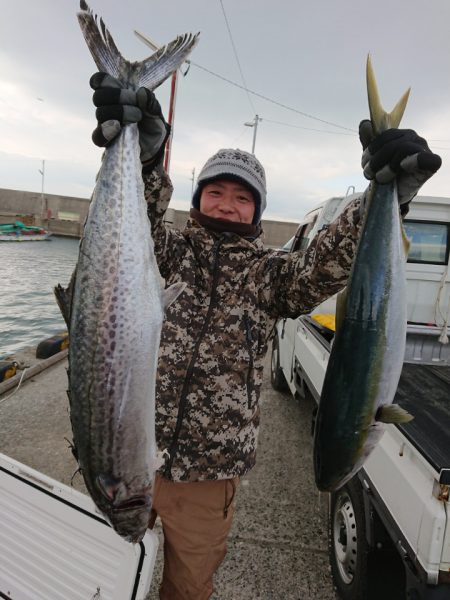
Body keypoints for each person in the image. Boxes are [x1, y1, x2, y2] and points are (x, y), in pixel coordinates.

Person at [90, 72, 441, 599]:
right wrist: (142, 158)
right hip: (125, 457)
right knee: (107, 578)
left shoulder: (269, 274)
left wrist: (382, 198)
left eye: (241, 197)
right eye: (215, 192)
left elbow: (322, 267)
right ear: (197, 199)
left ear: (257, 210)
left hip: (208, 477)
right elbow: (129, 223)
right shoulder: (165, 254)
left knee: (188, 586)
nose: (227, 205)